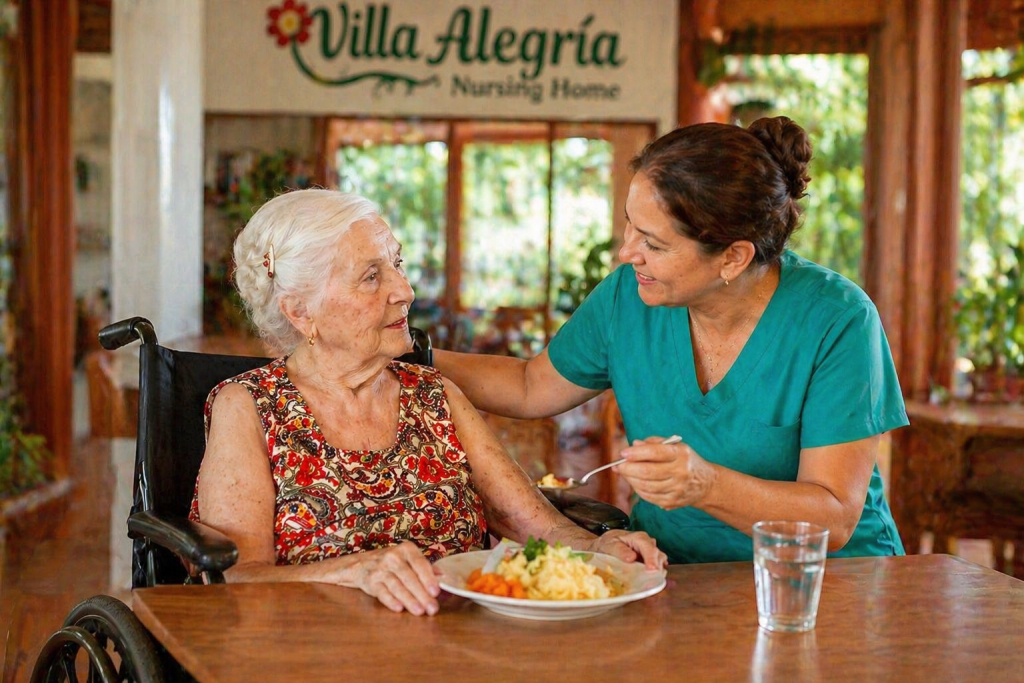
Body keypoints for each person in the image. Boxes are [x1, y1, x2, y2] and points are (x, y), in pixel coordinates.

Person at [434, 117, 909, 565]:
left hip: (823, 584)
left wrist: (705, 485)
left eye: (654, 244)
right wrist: (412, 353)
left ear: (733, 257)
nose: (627, 253)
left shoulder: (836, 319)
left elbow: (834, 516)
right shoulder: (627, 297)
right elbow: (529, 385)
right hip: (672, 576)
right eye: (630, 224)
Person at [188, 189, 664, 616]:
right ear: (300, 311)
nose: (405, 291)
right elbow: (236, 578)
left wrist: (601, 548)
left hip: (459, 644)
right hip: (320, 652)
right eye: (371, 277)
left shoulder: (434, 394)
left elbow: (536, 524)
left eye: (396, 264)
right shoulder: (249, 407)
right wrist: (352, 571)